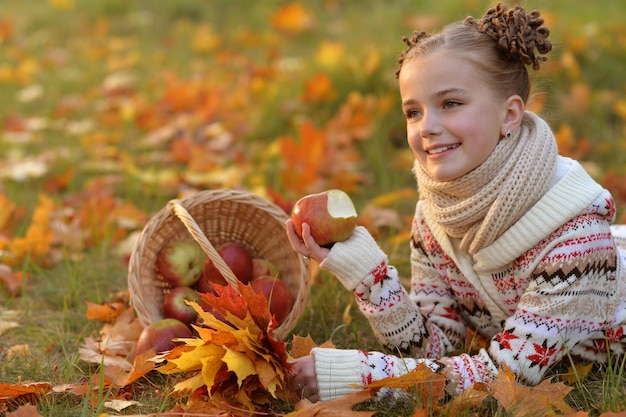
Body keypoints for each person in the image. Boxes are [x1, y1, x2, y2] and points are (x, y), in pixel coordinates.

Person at [285, 2, 626, 403]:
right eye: (413, 111)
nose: (427, 126)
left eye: (450, 104)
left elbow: (504, 377)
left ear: (510, 115)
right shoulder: (435, 218)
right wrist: (365, 273)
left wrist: (363, 378)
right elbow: (436, 346)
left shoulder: (575, 242)